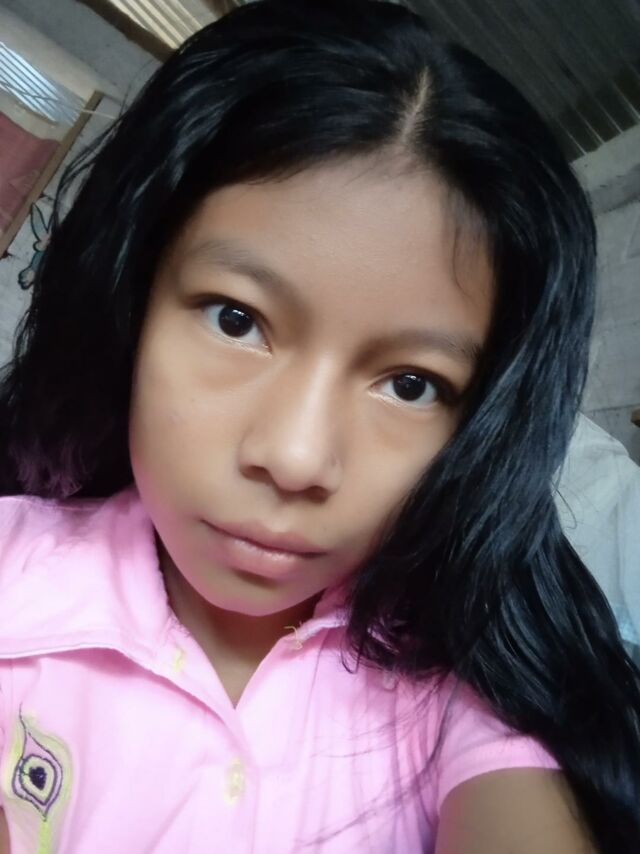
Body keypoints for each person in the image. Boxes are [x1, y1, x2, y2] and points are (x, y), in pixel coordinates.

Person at [0, 0, 638, 851]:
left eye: (411, 384)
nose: (296, 457)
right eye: (235, 319)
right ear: (132, 295)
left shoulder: (465, 686)